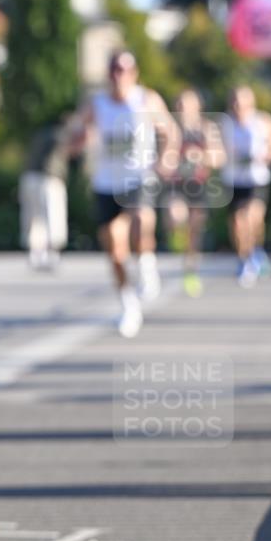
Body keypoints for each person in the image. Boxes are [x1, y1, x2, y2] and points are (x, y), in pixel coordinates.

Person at [77, 50, 179, 338]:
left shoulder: (146, 99)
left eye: (124, 70)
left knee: (141, 221)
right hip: (106, 183)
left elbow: (170, 131)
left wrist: (166, 159)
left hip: (138, 177)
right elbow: (75, 133)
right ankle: (128, 303)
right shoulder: (96, 104)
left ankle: (147, 263)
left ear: (134, 73)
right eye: (114, 70)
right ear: (108, 74)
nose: (119, 75)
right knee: (114, 248)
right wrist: (78, 140)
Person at [162, 89, 225, 297]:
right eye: (179, 104)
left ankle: (190, 271)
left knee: (194, 234)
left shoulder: (206, 128)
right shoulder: (170, 129)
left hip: (198, 186)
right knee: (175, 215)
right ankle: (175, 237)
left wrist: (200, 155)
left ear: (198, 107)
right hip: (176, 185)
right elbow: (160, 158)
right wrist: (168, 162)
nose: (182, 109)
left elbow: (219, 157)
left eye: (187, 104)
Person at [220, 86, 271, 287]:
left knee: (253, 219)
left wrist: (270, 153)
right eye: (235, 102)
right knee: (238, 223)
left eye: (243, 102)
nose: (239, 106)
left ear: (251, 103)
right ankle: (244, 259)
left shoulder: (262, 120)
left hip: (257, 179)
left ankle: (256, 249)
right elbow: (215, 147)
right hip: (234, 180)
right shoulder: (224, 123)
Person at [19, 118, 71, 270]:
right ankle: (52, 254)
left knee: (33, 218)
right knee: (52, 217)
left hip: (29, 177)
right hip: (48, 179)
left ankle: (35, 255)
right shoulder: (59, 134)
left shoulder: (40, 134)